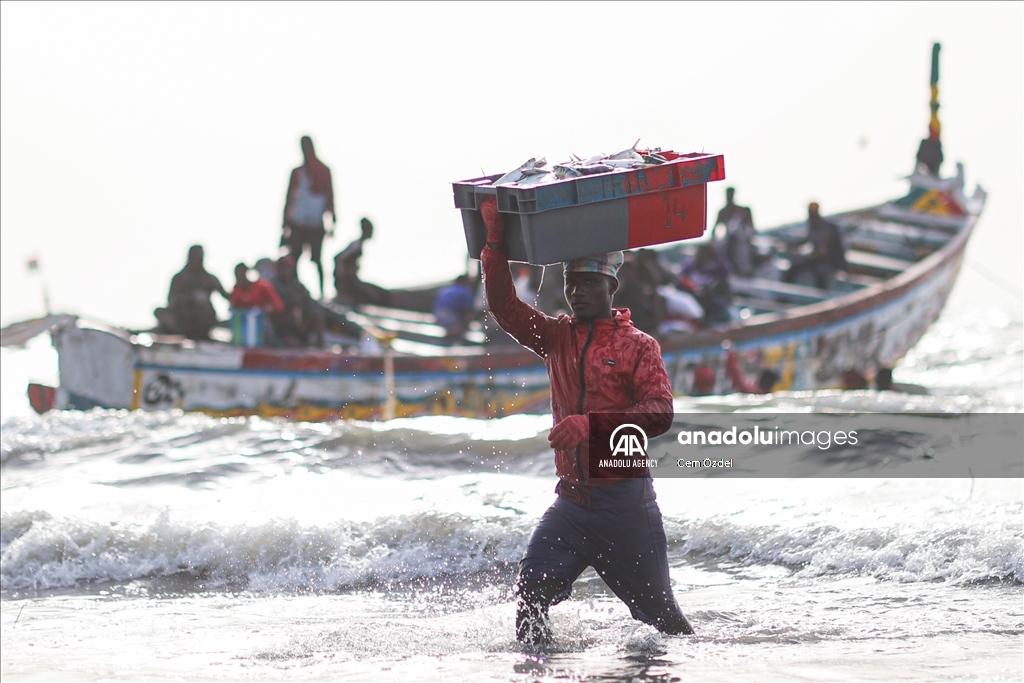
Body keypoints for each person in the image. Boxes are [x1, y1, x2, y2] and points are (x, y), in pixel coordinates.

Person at [478, 196, 694, 646]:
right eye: (571, 283)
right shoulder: (555, 337)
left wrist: (590, 425)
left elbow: (660, 414)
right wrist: (495, 245)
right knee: (530, 593)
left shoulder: (639, 346)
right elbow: (503, 306)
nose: (577, 292)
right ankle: (537, 671)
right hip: (573, 505)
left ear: (612, 287)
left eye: (589, 283)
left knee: (665, 623)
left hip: (626, 506)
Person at [282, 135, 335, 299]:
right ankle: (296, 290)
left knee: (317, 260)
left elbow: (330, 195)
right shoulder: (297, 173)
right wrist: (285, 222)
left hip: (315, 223)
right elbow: (289, 197)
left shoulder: (323, 171)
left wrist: (332, 220)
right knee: (294, 257)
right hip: (298, 222)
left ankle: (322, 293)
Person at [154, 245, 229, 340]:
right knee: (159, 311)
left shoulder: (209, 278)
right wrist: (189, 297)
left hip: (202, 322)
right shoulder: (179, 278)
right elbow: (171, 300)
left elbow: (226, 296)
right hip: (181, 320)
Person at [783, 202, 848, 290]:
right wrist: (789, 245)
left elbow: (822, 252)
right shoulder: (814, 227)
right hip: (818, 260)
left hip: (831, 261)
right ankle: (785, 296)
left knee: (820, 273)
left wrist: (810, 257)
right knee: (794, 268)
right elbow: (805, 239)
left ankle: (823, 296)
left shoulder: (828, 228)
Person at [272, 255, 325, 347]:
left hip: (300, 325)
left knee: (317, 314)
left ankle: (320, 346)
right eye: (281, 267)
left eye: (286, 267)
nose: (284, 270)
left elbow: (310, 302)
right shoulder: (271, 286)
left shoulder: (297, 286)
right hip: (283, 328)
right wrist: (290, 304)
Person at [334, 217, 388, 306]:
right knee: (372, 296)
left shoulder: (359, 246)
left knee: (378, 292)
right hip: (347, 282)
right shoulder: (356, 246)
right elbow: (338, 258)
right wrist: (341, 278)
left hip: (352, 281)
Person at [678, 245, 733, 326]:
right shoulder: (690, 267)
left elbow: (727, 272)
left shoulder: (718, 269)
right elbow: (681, 279)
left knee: (724, 315)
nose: (704, 254)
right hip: (697, 306)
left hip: (716, 307)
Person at [711, 187, 757, 276]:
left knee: (742, 250)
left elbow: (751, 228)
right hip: (726, 241)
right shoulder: (722, 212)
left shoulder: (742, 210)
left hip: (741, 240)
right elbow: (715, 230)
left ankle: (745, 271)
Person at [433, 275, 477, 340]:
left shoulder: (446, 289)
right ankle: (456, 337)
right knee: (467, 318)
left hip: (437, 316)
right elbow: (467, 310)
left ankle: (451, 334)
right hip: (451, 317)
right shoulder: (466, 291)